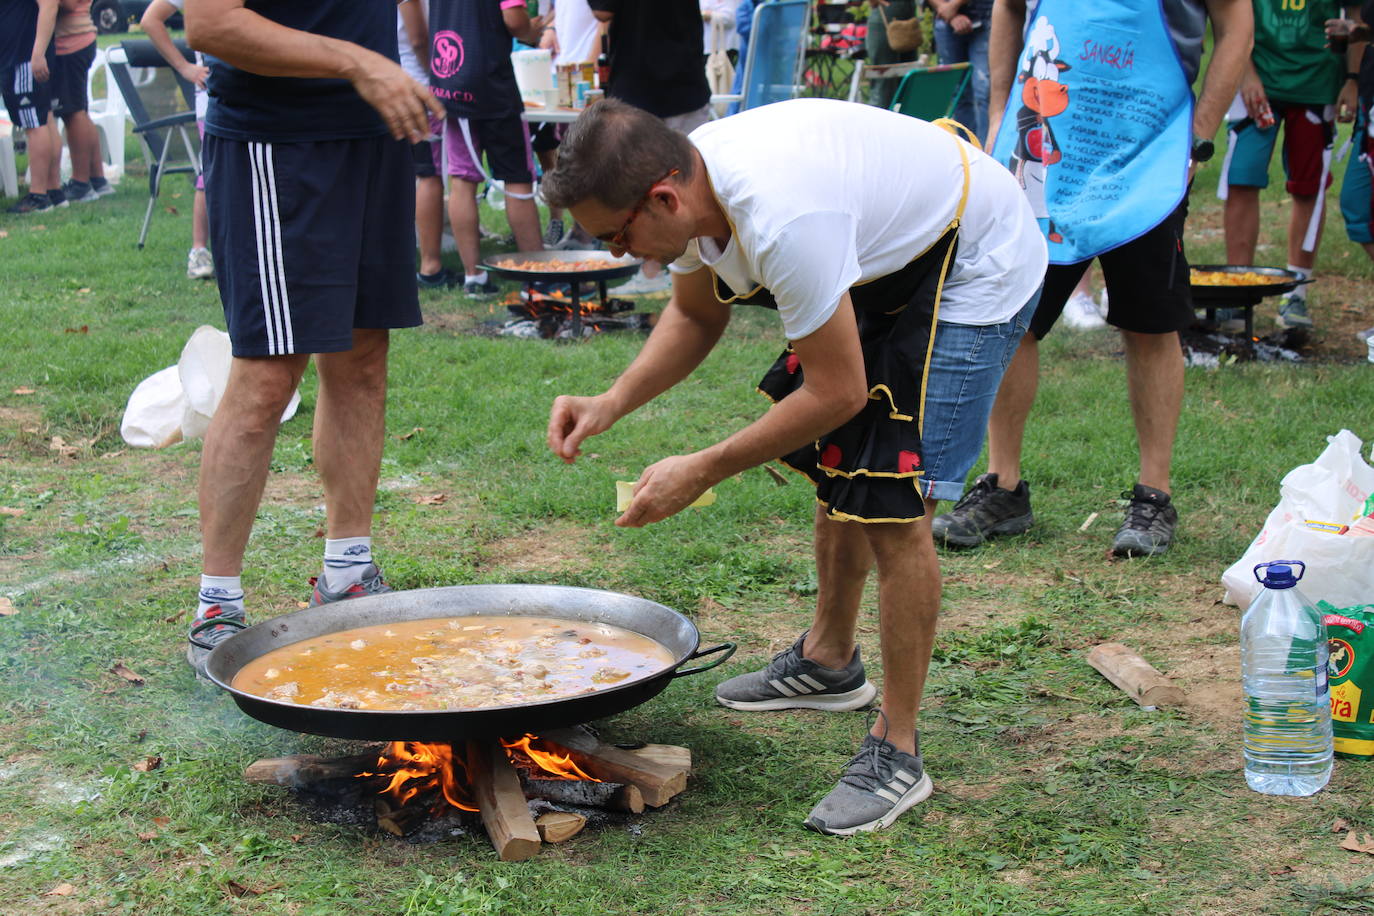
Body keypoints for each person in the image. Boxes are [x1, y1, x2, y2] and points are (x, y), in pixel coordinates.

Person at [542, 96, 1045, 834]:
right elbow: (695, 314)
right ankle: (830, 659)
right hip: (888, 253)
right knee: (847, 465)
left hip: (973, 258)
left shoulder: (783, 218)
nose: (621, 255)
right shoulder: (689, 188)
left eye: (618, 237)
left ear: (664, 196)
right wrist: (610, 401)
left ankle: (897, 749)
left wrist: (706, 467)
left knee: (898, 505)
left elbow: (836, 391)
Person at [932, 0, 1250, 559]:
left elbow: (1236, 24)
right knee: (1013, 315)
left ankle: (1154, 496)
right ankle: (1003, 487)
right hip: (1041, 148)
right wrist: (1001, 109)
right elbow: (1006, 9)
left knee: (1150, 323)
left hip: (1146, 155)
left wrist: (1198, 137)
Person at [181, 0, 442, 677]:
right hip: (277, 143)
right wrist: (360, 63)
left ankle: (349, 571)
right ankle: (218, 602)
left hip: (373, 135)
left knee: (361, 359)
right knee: (268, 373)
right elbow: (210, 25)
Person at [1221, 0, 1354, 330]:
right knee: (1242, 178)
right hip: (1257, 76)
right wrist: (1245, 71)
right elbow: (1226, 12)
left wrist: (1352, 78)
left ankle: (1296, 292)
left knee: (1309, 188)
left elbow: (1356, 17)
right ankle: (1238, 292)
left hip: (1316, 81)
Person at [589, 0, 711, 296]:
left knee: (641, 187)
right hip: (686, 75)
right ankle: (706, 274)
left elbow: (602, 11)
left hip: (640, 81)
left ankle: (652, 271)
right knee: (694, 181)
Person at [427, 0, 544, 297]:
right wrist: (533, 30)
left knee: (462, 179)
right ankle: (537, 275)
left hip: (449, 78)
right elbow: (514, 20)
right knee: (517, 178)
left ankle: (474, 278)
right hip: (492, 82)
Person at [141, 0, 214, 278]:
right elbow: (150, 20)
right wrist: (185, 68)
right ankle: (199, 251)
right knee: (209, 173)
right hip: (214, 95)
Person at [536, 0, 603, 249]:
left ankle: (588, 230)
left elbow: (606, 17)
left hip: (584, 77)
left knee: (584, 158)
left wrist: (590, 64)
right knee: (559, 156)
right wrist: (551, 29)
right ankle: (571, 225)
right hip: (560, 71)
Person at [2, 0, 61, 213]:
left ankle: (38, 196)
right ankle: (54, 190)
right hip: (22, 56)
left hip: (24, 57)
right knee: (44, 118)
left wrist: (37, 53)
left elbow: (50, 4)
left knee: (34, 124)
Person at [51, 0, 110, 203]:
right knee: (79, 112)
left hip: (69, 43)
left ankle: (80, 184)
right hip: (77, 38)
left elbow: (67, 3)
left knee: (73, 113)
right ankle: (97, 179)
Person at [927, 0, 994, 141]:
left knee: (984, 91)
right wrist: (946, 11)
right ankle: (968, 148)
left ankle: (987, 151)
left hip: (984, 16)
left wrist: (953, 6)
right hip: (944, 21)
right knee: (958, 93)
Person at [866, 0, 920, 111]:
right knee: (883, 89)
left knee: (909, 86)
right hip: (883, 21)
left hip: (907, 21)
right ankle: (878, 125)